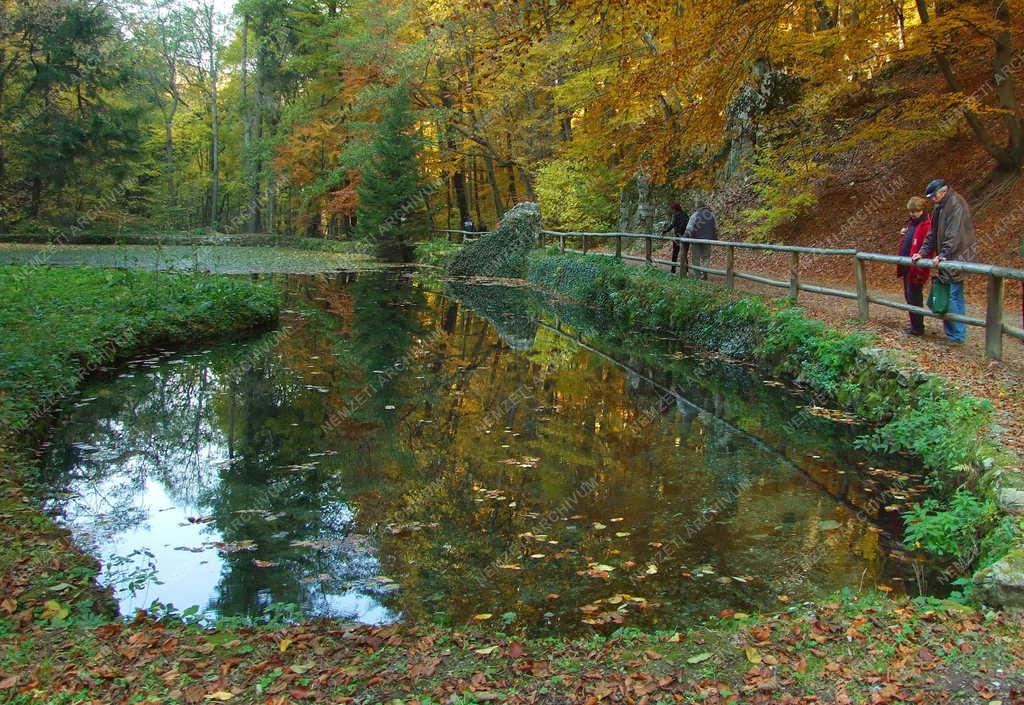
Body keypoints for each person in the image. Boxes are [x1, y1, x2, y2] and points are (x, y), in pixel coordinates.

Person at [913, 179, 977, 344]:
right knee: (950, 294)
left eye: (933, 196)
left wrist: (943, 254)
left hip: (958, 256)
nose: (932, 199)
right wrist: (922, 252)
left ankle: (956, 336)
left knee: (952, 295)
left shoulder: (955, 204)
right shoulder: (939, 207)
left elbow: (953, 234)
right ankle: (954, 334)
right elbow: (932, 234)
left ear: (943, 191)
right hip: (949, 256)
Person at [896, 196, 931, 336]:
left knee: (914, 296)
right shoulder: (911, 224)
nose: (913, 214)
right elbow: (908, 242)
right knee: (908, 296)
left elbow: (926, 245)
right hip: (906, 265)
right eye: (911, 211)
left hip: (916, 267)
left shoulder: (927, 225)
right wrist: (903, 235)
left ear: (922, 210)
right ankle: (914, 325)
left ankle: (918, 328)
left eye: (915, 211)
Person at [685, 199, 718, 280]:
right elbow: (716, 228)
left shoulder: (695, 215)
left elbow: (689, 228)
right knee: (706, 257)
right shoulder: (711, 215)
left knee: (696, 258)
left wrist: (685, 238)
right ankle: (705, 272)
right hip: (708, 240)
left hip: (696, 240)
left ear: (697, 206)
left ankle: (698, 276)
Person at [661, 203, 689, 274]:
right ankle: (686, 270)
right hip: (686, 236)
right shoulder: (685, 214)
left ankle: (673, 270)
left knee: (675, 253)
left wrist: (665, 231)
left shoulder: (675, 215)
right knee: (684, 253)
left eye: (672, 209)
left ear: (675, 209)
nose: (671, 211)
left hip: (678, 236)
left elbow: (672, 225)